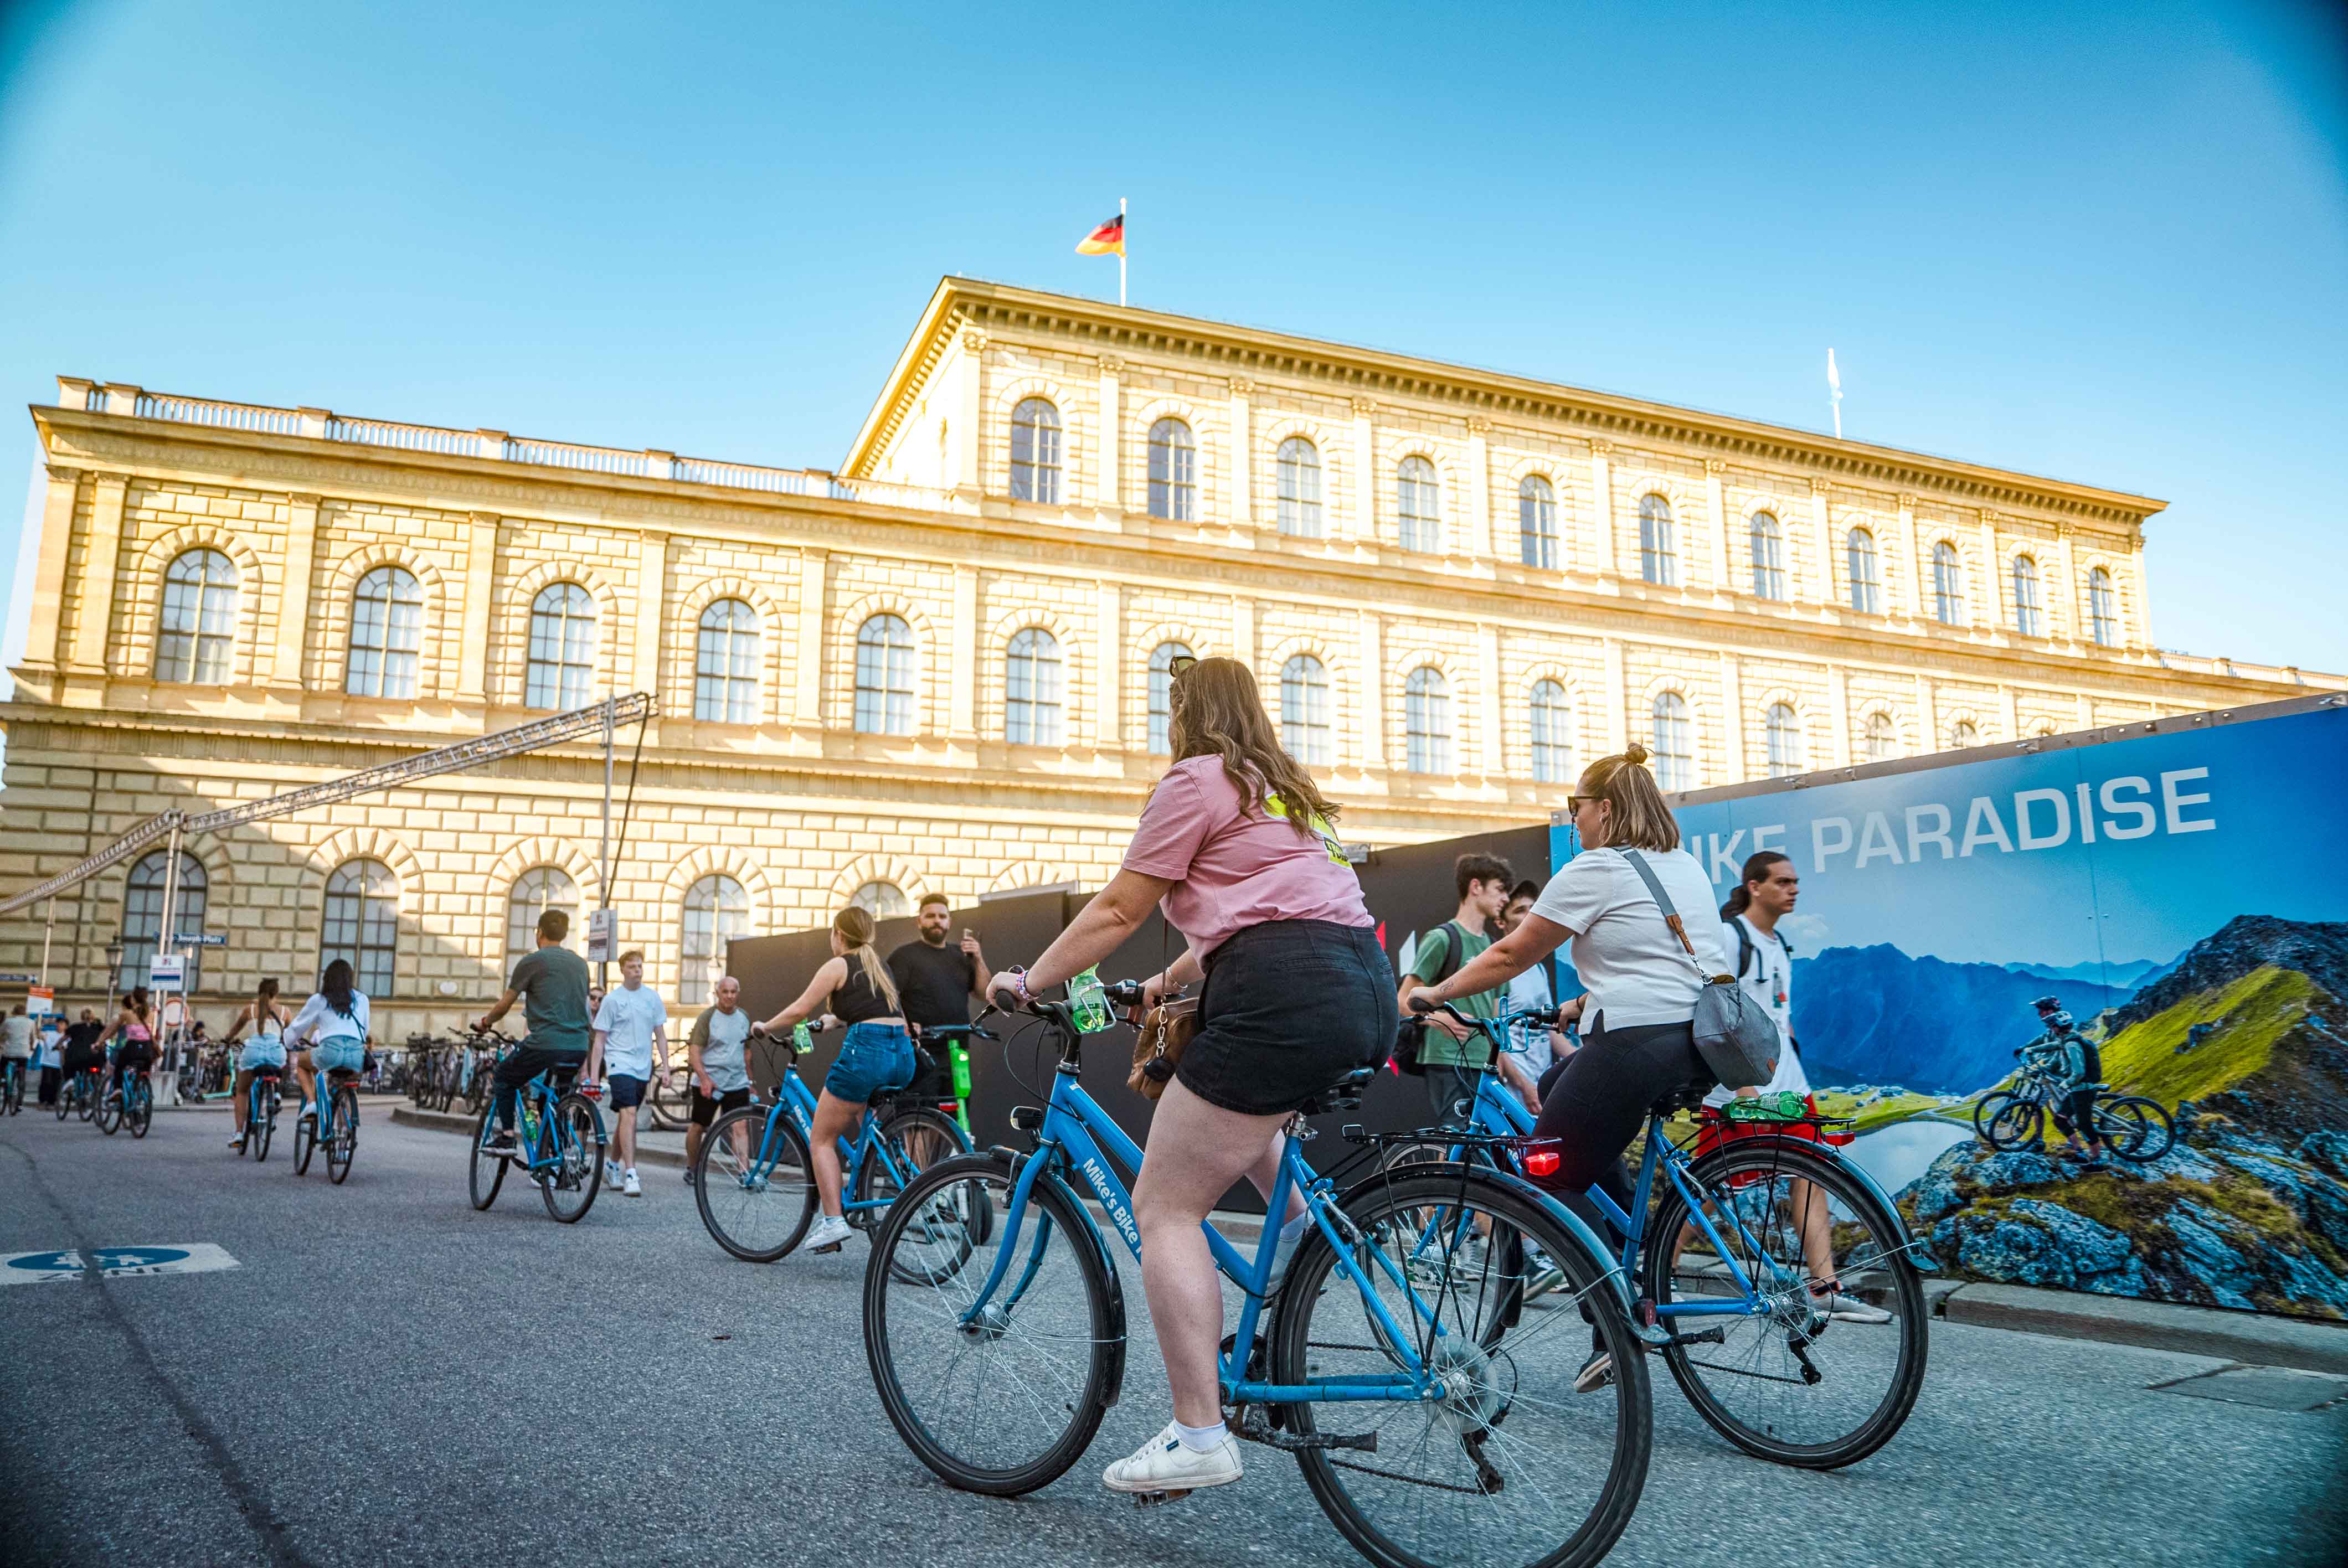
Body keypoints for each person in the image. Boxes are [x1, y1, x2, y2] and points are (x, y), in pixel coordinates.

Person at [986, 656, 1390, 1500]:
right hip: (1360, 985)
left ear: (1186, 714)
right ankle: (1293, 1249)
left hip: (1278, 991)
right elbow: (1260, 913)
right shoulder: (1288, 794)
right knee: (1230, 1108)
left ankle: (1199, 1434)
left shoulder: (1197, 778)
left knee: (1166, 1206)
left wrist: (1028, 981)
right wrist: (1161, 984)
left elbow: (1118, 908)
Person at [1409, 743, 1761, 1392]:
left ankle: (1612, 1325)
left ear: (1604, 808)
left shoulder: (1597, 866)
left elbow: (1511, 954)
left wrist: (1433, 993)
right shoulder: (1681, 864)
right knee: (1555, 1091)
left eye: (1576, 807)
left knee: (1544, 1171)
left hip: (1637, 1043)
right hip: (1697, 1039)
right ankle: (1628, 1250)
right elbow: (1657, 962)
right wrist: (1577, 1006)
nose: (1573, 820)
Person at [749, 905, 915, 1255]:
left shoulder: (839, 965)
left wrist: (765, 1026)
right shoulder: (878, 966)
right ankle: (880, 1171)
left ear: (838, 933)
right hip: (902, 1055)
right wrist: (832, 1021)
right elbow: (871, 1011)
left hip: (866, 1054)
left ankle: (833, 1221)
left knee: (822, 1140)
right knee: (865, 1118)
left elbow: (799, 1009)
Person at [1396, 854, 1513, 1127]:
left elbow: (1497, 1013)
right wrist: (1439, 1020)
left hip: (1485, 1063)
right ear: (1476, 887)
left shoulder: (1494, 947)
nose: (1506, 898)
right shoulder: (1442, 939)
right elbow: (1404, 999)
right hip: (1446, 1058)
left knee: (1489, 1138)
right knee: (1458, 1134)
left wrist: (1502, 1060)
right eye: (1500, 889)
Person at [475, 909, 593, 1158]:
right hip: (579, 1045)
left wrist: (486, 1023)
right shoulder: (580, 965)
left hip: (546, 1043)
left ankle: (507, 1137)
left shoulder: (532, 961)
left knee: (504, 1076)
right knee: (554, 1099)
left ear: (539, 933)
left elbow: (506, 1004)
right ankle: (559, 1158)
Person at [886, 893, 992, 1106]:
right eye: (930, 916)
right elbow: (889, 995)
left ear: (949, 922)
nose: (937, 921)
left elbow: (984, 993)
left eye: (942, 916)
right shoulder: (904, 956)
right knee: (920, 1116)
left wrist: (978, 958)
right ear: (919, 921)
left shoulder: (960, 955)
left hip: (957, 1050)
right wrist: (905, 1024)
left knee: (957, 1114)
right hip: (920, 1052)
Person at [585, 949, 669, 1197]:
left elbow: (661, 1035)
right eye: (632, 967)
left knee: (626, 1118)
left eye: (640, 966)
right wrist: (593, 1077)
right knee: (629, 1113)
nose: (638, 971)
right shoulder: (612, 1000)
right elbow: (600, 1041)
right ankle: (631, 1173)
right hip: (619, 1063)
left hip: (643, 1066)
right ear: (622, 970)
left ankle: (612, 1165)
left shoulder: (652, 998)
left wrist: (666, 1067)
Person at [1495, 879, 1567, 1113]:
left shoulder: (1538, 968)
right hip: (1514, 1090)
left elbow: (1550, 1029)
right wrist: (1524, 1086)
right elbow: (1495, 1037)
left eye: (1532, 909)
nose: (1528, 916)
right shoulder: (1496, 968)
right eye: (1519, 910)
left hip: (1542, 1084)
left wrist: (1583, 1059)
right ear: (1501, 922)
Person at [682, 974, 754, 1184]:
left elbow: (747, 1052)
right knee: (699, 1126)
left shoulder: (744, 1017)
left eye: (733, 992)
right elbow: (695, 1052)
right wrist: (704, 1079)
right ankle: (693, 1168)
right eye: (725, 992)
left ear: (738, 993)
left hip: (737, 1082)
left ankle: (744, 1173)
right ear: (717, 994)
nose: (730, 996)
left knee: (740, 1126)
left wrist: (751, 1082)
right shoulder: (707, 1018)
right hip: (710, 1083)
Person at [286, 960, 369, 1131]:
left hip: (330, 1052)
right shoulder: (362, 999)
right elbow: (365, 1029)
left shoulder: (320, 1000)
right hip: (356, 1055)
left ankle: (312, 1103)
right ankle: (345, 1136)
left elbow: (298, 1027)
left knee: (302, 1063)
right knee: (347, 1085)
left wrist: (288, 1043)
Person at [2030, 996, 2109, 1165]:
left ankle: (2097, 1161)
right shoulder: (2065, 1040)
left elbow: (2079, 1072)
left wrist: (2066, 1083)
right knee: (2060, 1120)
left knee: (2084, 1125)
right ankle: (2078, 1151)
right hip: (2076, 1091)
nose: (2051, 1028)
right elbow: (2051, 1046)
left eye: (2053, 1025)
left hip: (2083, 1090)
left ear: (2059, 1026)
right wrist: (2031, 1049)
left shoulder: (2071, 1045)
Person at [220, 978, 292, 1152]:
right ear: (277, 993)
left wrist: (227, 1040)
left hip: (254, 1052)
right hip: (276, 1052)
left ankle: (239, 1133)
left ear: (259, 991)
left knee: (242, 1091)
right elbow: (292, 1034)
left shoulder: (250, 1010)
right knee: (281, 1064)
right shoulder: (285, 1011)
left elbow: (235, 1030)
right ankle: (276, 1093)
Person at [107, 987, 157, 1104]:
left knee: (119, 1066)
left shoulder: (127, 1014)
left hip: (132, 1049)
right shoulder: (152, 1014)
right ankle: (139, 1091)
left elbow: (112, 1031)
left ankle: (118, 1090)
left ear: (133, 999)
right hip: (147, 1051)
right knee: (141, 1072)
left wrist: (100, 1042)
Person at [59, 1009, 104, 1106]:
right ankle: (95, 1089)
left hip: (77, 1059)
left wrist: (57, 1046)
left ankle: (70, 1081)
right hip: (95, 1059)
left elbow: (63, 1039)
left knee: (69, 1066)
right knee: (95, 1070)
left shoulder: (74, 1027)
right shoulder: (99, 1028)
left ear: (82, 1016)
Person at [2, 1004, 32, 1105]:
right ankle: (20, 1102)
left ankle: (3, 1079)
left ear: (14, 1012)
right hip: (23, 1052)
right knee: (22, 1074)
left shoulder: (8, 1021)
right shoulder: (31, 1022)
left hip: (9, 1052)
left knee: (2, 1066)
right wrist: (31, 1047)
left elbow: (1, 1033)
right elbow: (33, 1038)